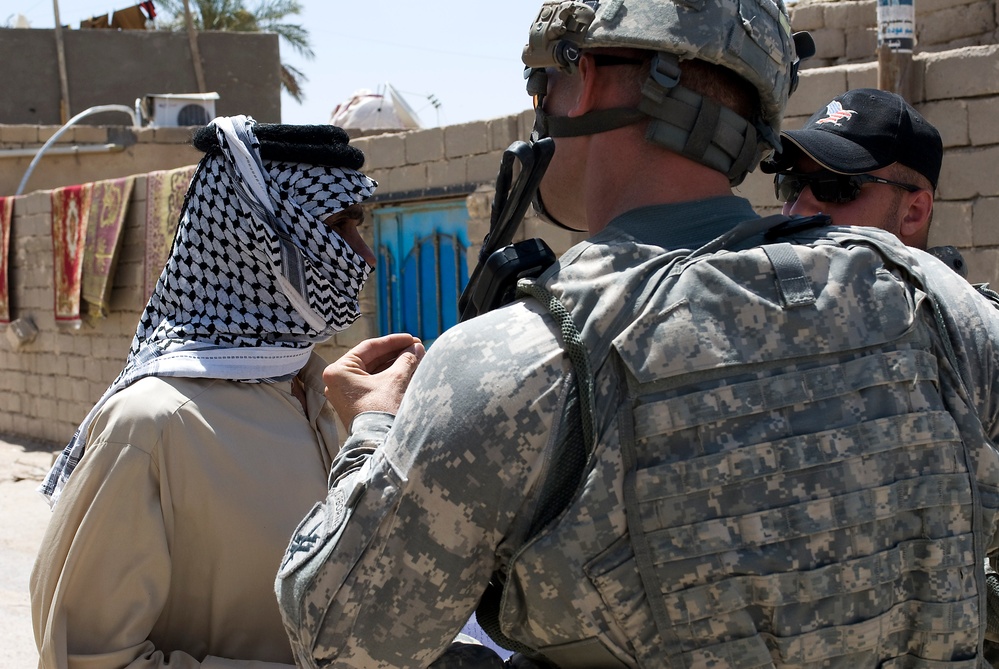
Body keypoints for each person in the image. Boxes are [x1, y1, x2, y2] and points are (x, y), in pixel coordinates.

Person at [276, 1, 999, 668]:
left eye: (542, 84)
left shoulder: (521, 359)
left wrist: (374, 430)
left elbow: (339, 636)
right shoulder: (928, 297)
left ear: (582, 80)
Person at [30, 116, 380, 668]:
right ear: (258, 242)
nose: (364, 257)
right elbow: (85, 659)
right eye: (339, 228)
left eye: (360, 229)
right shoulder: (150, 425)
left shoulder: (320, 391)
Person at [759, 87, 979, 276]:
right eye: (792, 186)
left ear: (914, 211)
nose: (798, 210)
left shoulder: (964, 321)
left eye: (836, 187)